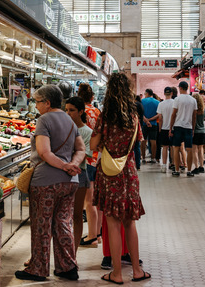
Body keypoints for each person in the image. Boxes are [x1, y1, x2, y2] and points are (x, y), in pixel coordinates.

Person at [15, 85, 85, 282]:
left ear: (47, 102)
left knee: (41, 225)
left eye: (37, 101)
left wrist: (64, 166)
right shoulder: (70, 120)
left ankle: (38, 269)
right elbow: (81, 149)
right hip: (70, 182)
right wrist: (72, 165)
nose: (36, 106)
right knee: (63, 223)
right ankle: (68, 267)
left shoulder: (44, 120)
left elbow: (44, 153)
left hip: (46, 182)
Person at [91, 73, 149, 284]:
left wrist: (107, 144)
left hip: (108, 173)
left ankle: (116, 273)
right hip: (129, 172)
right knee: (129, 224)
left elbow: (93, 145)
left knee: (112, 223)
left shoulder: (104, 117)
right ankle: (136, 270)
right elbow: (139, 141)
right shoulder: (134, 117)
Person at [65, 96, 93, 253]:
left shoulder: (87, 132)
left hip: (80, 175)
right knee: (61, 216)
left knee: (76, 215)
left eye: (72, 110)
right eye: (66, 110)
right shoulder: (63, 128)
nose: (68, 113)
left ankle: (73, 252)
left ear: (81, 112)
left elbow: (87, 154)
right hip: (61, 174)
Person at [76, 83, 101, 247]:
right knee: (96, 200)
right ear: (92, 97)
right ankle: (97, 233)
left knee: (88, 200)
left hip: (85, 158)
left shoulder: (77, 113)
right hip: (97, 157)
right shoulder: (97, 111)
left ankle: (92, 235)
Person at [169, 81, 197, 177]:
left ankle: (177, 170)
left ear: (180, 88)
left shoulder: (177, 99)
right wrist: (193, 128)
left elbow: (173, 114)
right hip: (188, 127)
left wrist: (170, 128)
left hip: (178, 126)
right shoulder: (193, 100)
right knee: (189, 149)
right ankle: (189, 171)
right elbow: (194, 116)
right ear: (187, 88)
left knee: (176, 148)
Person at [156, 87, 174, 173]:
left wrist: (160, 128)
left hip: (164, 128)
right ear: (171, 93)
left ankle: (163, 166)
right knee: (173, 147)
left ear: (164, 94)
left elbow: (160, 117)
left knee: (164, 148)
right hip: (173, 128)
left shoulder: (161, 104)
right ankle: (173, 164)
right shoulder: (175, 103)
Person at [140, 89, 160, 164]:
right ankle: (153, 158)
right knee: (153, 141)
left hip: (144, 124)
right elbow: (159, 114)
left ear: (147, 93)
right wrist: (151, 119)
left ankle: (143, 158)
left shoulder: (142, 101)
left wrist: (146, 120)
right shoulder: (157, 102)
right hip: (154, 124)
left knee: (143, 141)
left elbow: (140, 113)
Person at [191, 92, 205, 174]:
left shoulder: (193, 110)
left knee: (194, 150)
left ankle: (196, 167)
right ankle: (202, 167)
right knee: (201, 149)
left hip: (195, 131)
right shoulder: (204, 109)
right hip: (202, 131)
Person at [133, 96, 144, 170]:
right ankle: (138, 165)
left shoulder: (133, 105)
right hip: (139, 126)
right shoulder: (140, 104)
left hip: (132, 127)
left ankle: (133, 164)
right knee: (137, 146)